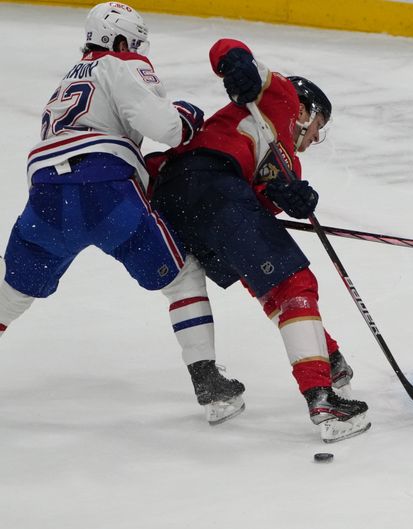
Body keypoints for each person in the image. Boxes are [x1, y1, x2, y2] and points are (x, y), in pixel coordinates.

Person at [0, 2, 245, 425]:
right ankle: (209, 384)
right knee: (183, 275)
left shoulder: (62, 85)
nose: (137, 49)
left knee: (11, 294)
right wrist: (186, 115)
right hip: (106, 189)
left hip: (45, 196)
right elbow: (165, 128)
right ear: (117, 41)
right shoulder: (120, 62)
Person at [147, 38, 370, 443]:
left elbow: (258, 209)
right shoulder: (281, 98)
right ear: (305, 109)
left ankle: (328, 357)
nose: (316, 138)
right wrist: (237, 65)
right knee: (295, 283)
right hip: (206, 180)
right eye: (319, 126)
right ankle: (322, 398)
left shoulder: (288, 160)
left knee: (271, 282)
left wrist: (291, 198)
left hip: (176, 201)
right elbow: (225, 48)